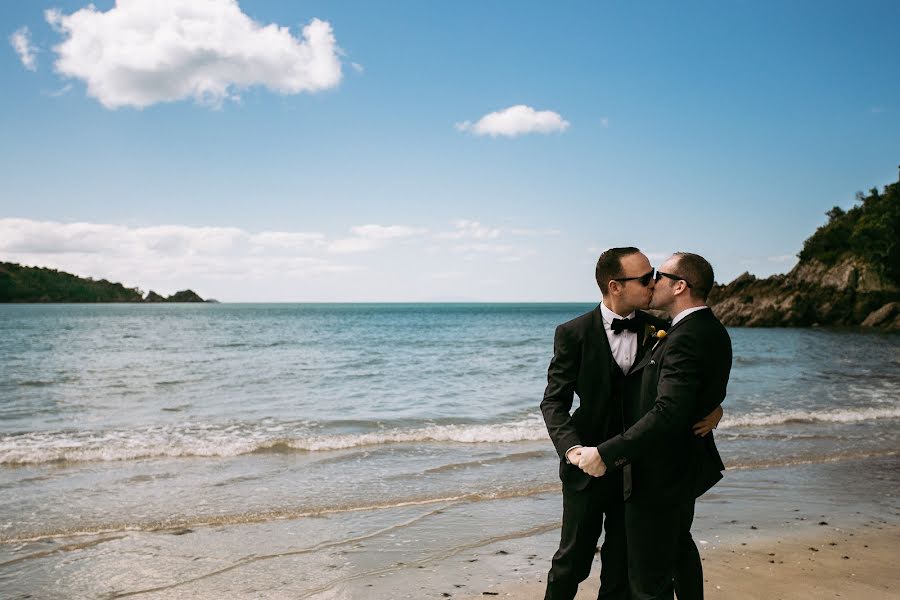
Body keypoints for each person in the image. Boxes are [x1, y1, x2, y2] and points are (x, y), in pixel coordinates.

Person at [540, 248, 724, 600]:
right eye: (644, 278)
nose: (653, 282)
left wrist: (714, 407)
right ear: (615, 286)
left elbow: (687, 379)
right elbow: (553, 401)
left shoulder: (663, 329)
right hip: (588, 468)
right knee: (571, 563)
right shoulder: (573, 333)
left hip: (640, 471)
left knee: (623, 568)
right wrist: (572, 449)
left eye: (655, 274)